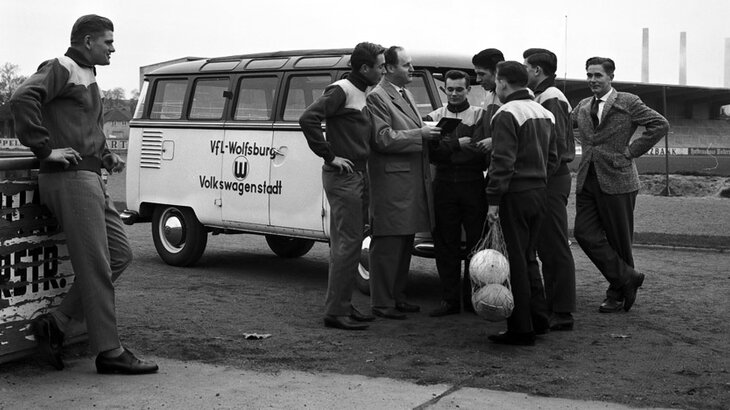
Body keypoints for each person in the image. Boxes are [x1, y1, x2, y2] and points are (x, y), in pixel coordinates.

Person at [10, 14, 158, 374]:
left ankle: (56, 323)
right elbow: (21, 97)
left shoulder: (88, 74)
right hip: (69, 178)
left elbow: (85, 127)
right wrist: (45, 151)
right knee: (95, 266)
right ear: (88, 41)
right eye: (108, 41)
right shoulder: (61, 65)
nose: (113, 48)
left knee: (120, 255)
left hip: (90, 177)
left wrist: (106, 155)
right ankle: (109, 351)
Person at [299, 42, 386, 331]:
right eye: (380, 65)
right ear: (365, 68)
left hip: (357, 174)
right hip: (344, 176)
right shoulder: (342, 90)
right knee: (347, 245)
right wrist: (329, 155)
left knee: (347, 244)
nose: (383, 69)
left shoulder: (360, 92)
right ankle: (336, 312)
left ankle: (343, 305)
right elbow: (308, 118)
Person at [572, 57, 669, 313]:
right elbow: (565, 126)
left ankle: (616, 294)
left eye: (598, 75)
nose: (593, 80)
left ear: (610, 77)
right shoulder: (582, 105)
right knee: (583, 233)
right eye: (589, 75)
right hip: (587, 179)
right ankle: (628, 277)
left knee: (619, 240)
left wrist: (631, 151)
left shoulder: (628, 102)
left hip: (619, 179)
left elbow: (660, 124)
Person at [485, 61, 558, 346]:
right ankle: (539, 320)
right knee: (529, 258)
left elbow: (502, 161)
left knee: (514, 261)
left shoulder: (507, 113)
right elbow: (553, 157)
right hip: (539, 191)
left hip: (514, 194)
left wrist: (493, 200)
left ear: (503, 82)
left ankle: (520, 328)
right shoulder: (544, 111)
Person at [365, 46, 440, 320]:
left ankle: (397, 296)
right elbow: (382, 138)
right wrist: (420, 134)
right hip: (391, 184)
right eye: (406, 65)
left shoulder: (405, 94)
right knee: (387, 243)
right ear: (388, 68)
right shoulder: (377, 98)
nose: (412, 69)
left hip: (408, 182)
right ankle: (382, 303)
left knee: (404, 241)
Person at [424, 70, 488, 317]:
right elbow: (433, 154)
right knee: (445, 243)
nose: (453, 93)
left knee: (475, 243)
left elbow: (480, 152)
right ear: (444, 90)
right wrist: (457, 147)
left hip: (473, 184)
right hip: (445, 184)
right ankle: (449, 300)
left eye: (459, 89)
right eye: (449, 89)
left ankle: (473, 298)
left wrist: (448, 149)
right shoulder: (434, 116)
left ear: (468, 90)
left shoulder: (480, 115)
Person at [523, 48, 576, 330]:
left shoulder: (551, 97)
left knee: (554, 244)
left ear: (537, 71)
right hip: (548, 177)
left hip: (551, 178)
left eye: (525, 66)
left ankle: (563, 310)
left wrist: (538, 179)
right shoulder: (544, 95)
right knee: (546, 244)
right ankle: (554, 305)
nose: (523, 71)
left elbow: (553, 147)